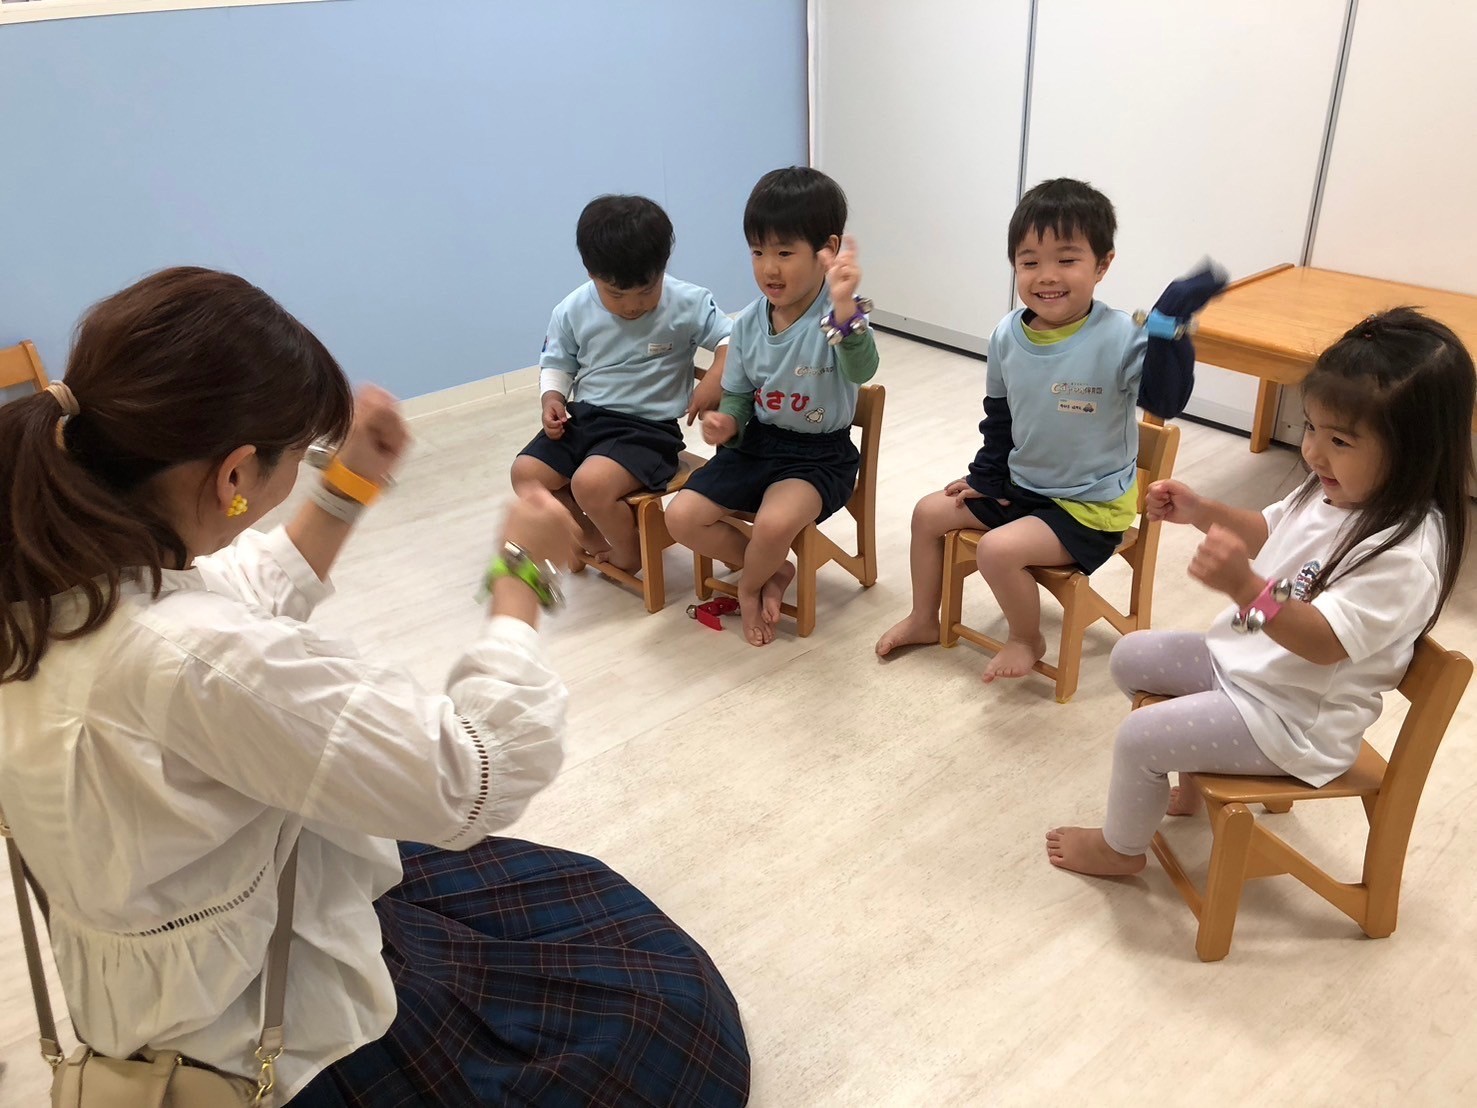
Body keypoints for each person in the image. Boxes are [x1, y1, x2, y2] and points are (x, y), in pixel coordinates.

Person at [0, 268, 750, 1105]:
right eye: (302, 457)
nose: (307, 469)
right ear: (235, 475)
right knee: (662, 1015)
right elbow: (475, 772)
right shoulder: (194, 657)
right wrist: (521, 572)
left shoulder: (56, 588)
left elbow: (238, 593)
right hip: (258, 1025)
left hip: (170, 968)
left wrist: (349, 481)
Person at [1046, 308, 1473, 877]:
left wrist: (1247, 588)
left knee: (1139, 737)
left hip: (1290, 723)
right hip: (1249, 669)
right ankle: (1191, 781)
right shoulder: (1334, 489)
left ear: (1416, 450)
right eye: (1311, 427)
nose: (1313, 452)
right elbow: (1267, 529)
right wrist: (1201, 511)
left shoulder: (1403, 554)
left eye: (1340, 440)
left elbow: (1322, 643)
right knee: (1131, 655)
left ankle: (1119, 851)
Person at [874, 177, 1224, 680]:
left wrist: (1168, 326)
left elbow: (1165, 400)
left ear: (1102, 265)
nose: (1047, 276)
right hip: (1023, 489)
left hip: (1088, 508)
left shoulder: (1120, 335)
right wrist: (985, 480)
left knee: (997, 550)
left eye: (1067, 259)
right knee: (928, 513)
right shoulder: (1006, 335)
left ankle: (1026, 638)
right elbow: (1000, 421)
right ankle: (924, 618)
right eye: (1030, 262)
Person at [666, 167, 879, 646]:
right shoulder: (746, 324)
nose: (769, 268)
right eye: (758, 252)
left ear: (826, 250)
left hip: (819, 456)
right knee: (680, 517)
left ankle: (748, 588)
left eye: (785, 253)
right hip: (758, 446)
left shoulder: (838, 313)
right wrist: (728, 421)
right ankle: (772, 568)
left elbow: (863, 368)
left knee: (775, 521)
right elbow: (740, 395)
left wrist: (846, 308)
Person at [511, 194, 733, 573]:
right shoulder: (572, 309)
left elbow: (733, 340)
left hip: (647, 431)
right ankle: (591, 537)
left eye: (647, 291)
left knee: (590, 483)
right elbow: (557, 362)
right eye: (615, 294)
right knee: (525, 474)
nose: (632, 306)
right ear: (590, 273)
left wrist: (714, 377)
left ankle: (629, 551)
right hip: (584, 420)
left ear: (663, 267)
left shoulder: (687, 302)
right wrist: (552, 398)